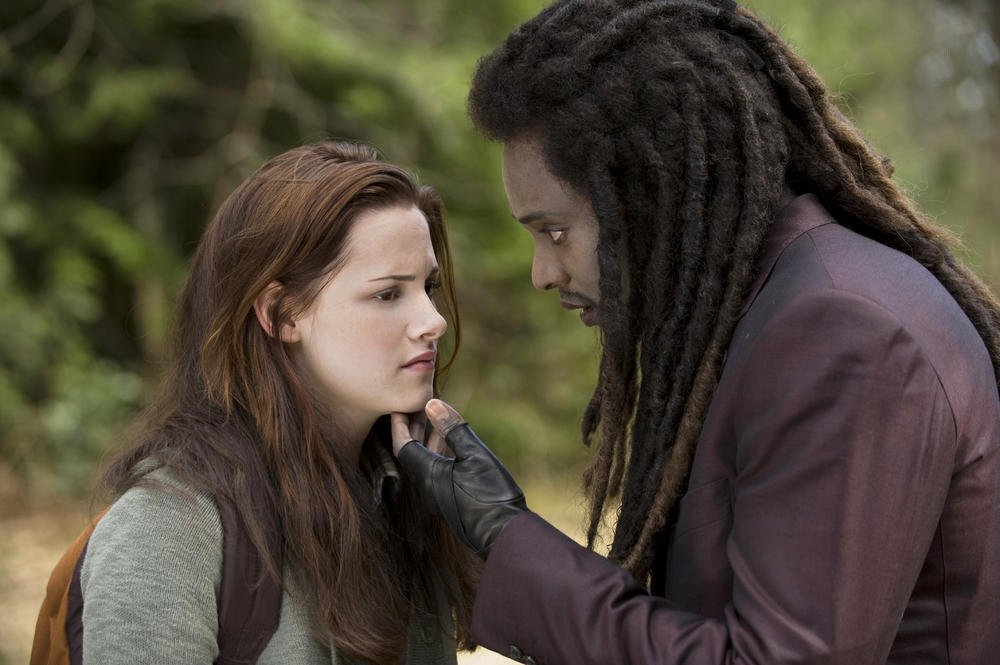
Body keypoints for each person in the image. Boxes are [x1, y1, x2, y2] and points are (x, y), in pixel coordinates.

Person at [390, 1, 1000, 664]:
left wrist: (509, 536)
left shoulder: (839, 330)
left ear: (648, 192)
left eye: (555, 231)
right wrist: (502, 538)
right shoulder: (780, 307)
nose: (543, 272)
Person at [80, 141, 479, 664]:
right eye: (388, 294)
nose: (434, 320)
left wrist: (500, 534)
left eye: (428, 286)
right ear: (282, 314)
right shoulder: (170, 525)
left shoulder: (409, 495)